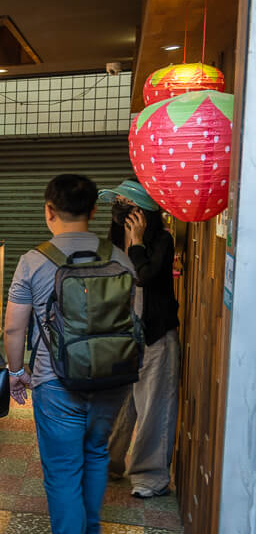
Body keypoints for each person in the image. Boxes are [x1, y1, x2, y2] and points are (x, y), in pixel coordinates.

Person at [5, 174, 134, 534]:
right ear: (93, 211)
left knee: (62, 468)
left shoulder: (33, 260)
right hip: (113, 379)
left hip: (56, 380)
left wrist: (16, 372)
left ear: (49, 211)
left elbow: (13, 328)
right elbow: (137, 320)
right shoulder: (120, 256)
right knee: (96, 453)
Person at [102, 179, 180, 498]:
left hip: (155, 335)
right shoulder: (111, 242)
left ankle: (149, 476)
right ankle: (108, 462)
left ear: (142, 213)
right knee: (120, 403)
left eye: (125, 203)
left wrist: (136, 244)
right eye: (116, 202)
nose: (118, 208)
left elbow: (146, 277)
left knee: (153, 406)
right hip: (121, 337)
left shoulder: (161, 240)